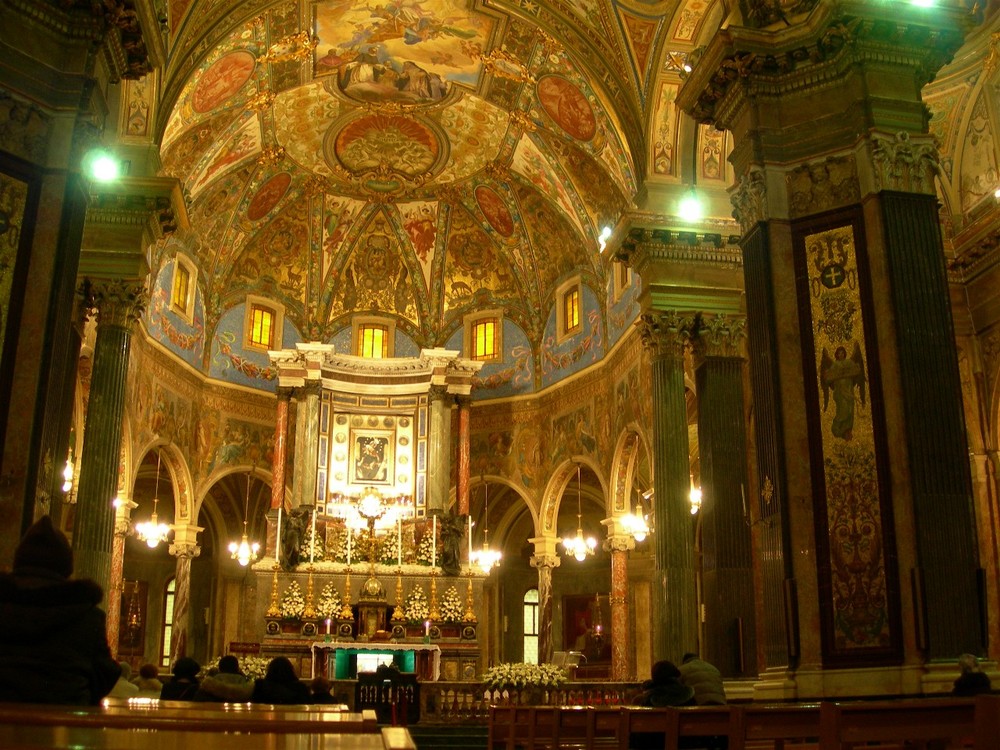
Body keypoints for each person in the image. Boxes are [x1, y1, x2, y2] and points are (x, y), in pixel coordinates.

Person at [0, 515, 121, 705]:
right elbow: (104, 673)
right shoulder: (87, 614)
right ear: (66, 565)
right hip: (66, 721)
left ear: (19, 560)